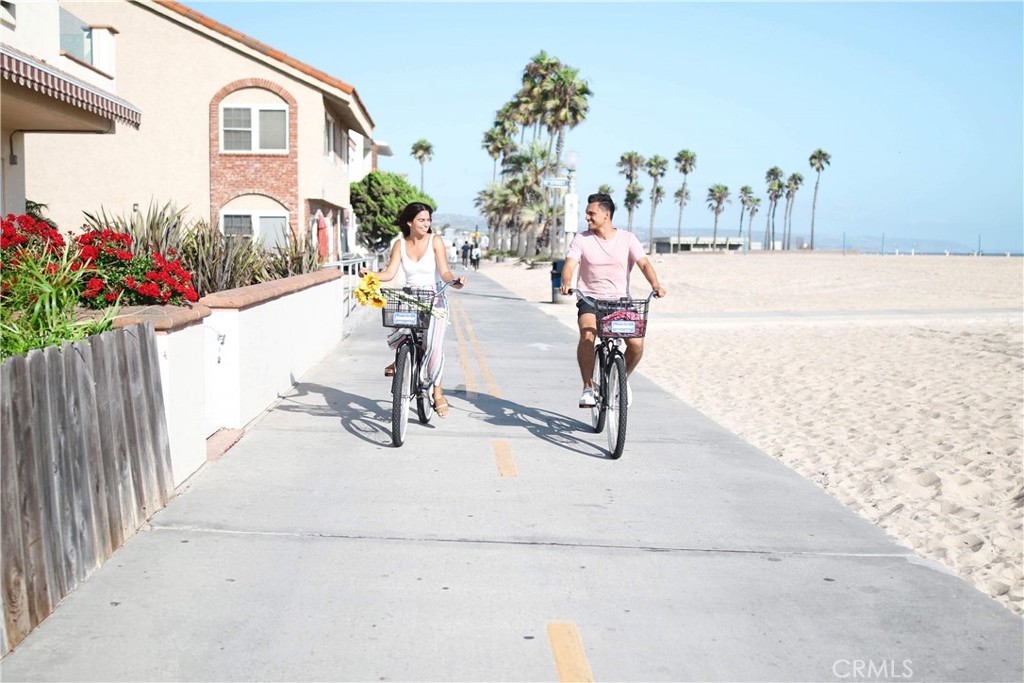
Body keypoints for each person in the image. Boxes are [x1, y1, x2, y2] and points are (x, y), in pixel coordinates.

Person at [559, 193, 667, 408]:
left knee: (636, 344)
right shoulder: (582, 239)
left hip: (619, 302)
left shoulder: (627, 239)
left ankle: (621, 378)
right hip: (589, 299)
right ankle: (588, 387)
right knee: (587, 335)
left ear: (606, 215)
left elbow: (644, 264)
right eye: (587, 214)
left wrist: (656, 285)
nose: (587, 218)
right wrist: (566, 281)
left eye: (592, 213)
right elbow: (570, 264)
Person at [359, 202, 465, 417]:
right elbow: (389, 273)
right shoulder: (399, 244)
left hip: (434, 297)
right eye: (421, 220)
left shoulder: (435, 241)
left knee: (433, 346)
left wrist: (454, 281)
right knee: (398, 327)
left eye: (428, 220)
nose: (426, 224)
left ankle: (436, 392)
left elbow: (444, 271)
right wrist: (370, 274)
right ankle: (402, 358)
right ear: (409, 222)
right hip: (410, 296)